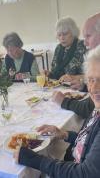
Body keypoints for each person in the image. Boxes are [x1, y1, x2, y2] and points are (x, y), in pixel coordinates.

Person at [14, 45, 100, 178]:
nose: (94, 88)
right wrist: (64, 133)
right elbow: (88, 141)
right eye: (91, 80)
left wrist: (34, 160)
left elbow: (85, 174)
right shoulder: (97, 109)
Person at [53, 13, 100, 118]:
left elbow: (89, 108)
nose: (85, 43)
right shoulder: (58, 49)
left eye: (88, 36)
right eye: (59, 35)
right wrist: (83, 86)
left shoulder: (83, 50)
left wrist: (64, 102)